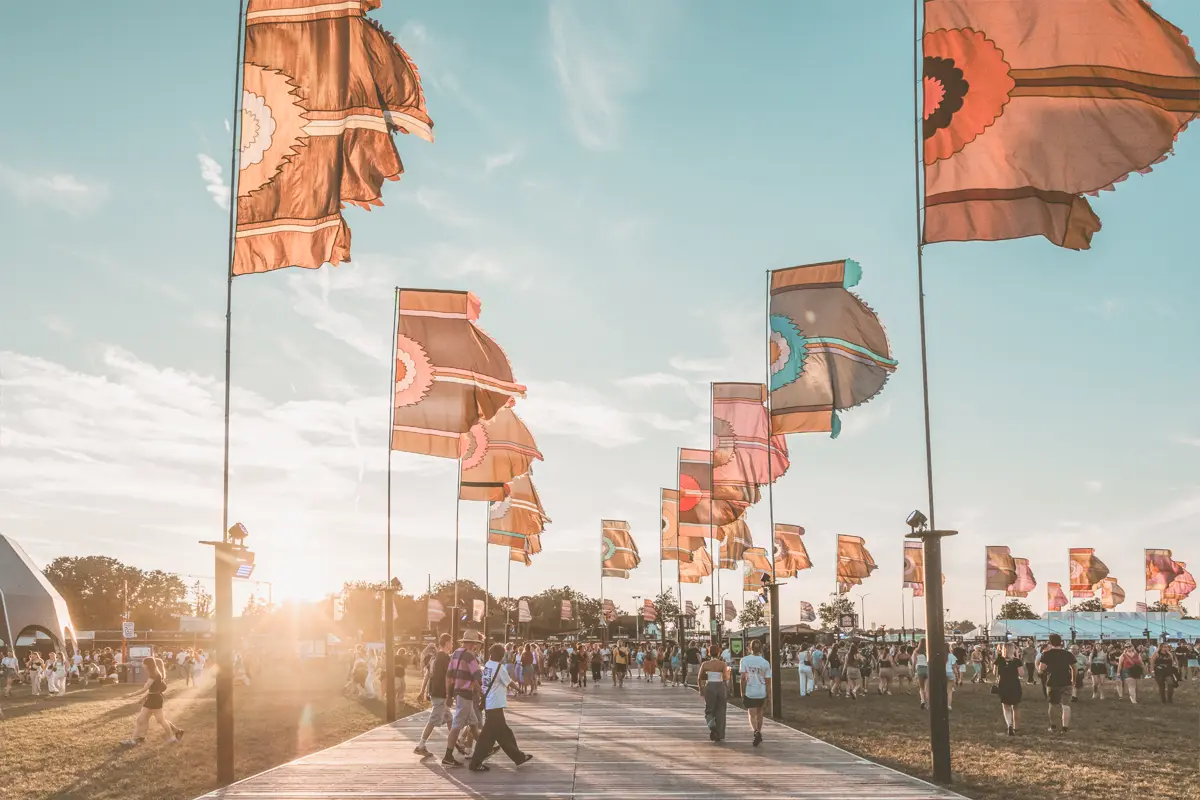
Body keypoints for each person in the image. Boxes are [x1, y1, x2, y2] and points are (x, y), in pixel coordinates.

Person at [469, 644, 534, 772]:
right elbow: (508, 681)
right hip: (495, 705)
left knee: (504, 734)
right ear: (501, 655)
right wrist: (519, 690)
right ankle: (475, 763)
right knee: (487, 738)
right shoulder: (499, 667)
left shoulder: (488, 665)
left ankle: (518, 757)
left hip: (489, 704)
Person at [443, 630, 484, 767]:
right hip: (466, 694)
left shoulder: (455, 654)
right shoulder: (470, 656)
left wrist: (449, 695)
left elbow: (448, 675)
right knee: (456, 726)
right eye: (475, 644)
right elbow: (477, 676)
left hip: (457, 693)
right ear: (473, 643)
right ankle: (448, 755)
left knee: (473, 722)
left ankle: (483, 749)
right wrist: (483, 692)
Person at [121, 658, 183, 746]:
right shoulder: (153, 674)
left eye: (143, 663)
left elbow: (145, 689)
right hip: (151, 698)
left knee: (161, 720)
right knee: (140, 719)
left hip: (156, 700)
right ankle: (134, 739)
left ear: (148, 664)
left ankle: (172, 738)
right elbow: (153, 690)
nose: (142, 665)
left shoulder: (154, 675)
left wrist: (130, 695)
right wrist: (144, 698)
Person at [414, 634, 454, 758]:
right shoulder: (445, 657)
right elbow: (450, 676)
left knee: (449, 718)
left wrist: (422, 691)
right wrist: (450, 693)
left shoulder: (434, 657)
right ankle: (421, 746)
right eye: (451, 642)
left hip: (434, 692)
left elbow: (427, 675)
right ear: (447, 643)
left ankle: (457, 742)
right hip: (440, 693)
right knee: (433, 720)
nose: (452, 644)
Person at [1038, 633, 1075, 733]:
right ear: (1061, 642)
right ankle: (1065, 728)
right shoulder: (1068, 654)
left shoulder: (1046, 654)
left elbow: (1041, 668)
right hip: (1066, 681)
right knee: (1066, 706)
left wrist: (1041, 672)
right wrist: (1073, 680)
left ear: (1050, 643)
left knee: (1053, 705)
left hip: (1052, 682)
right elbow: (1074, 668)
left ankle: (1053, 726)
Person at [739, 639, 772, 747]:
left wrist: (742, 692)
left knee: (751, 713)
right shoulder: (765, 663)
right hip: (761, 691)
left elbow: (743, 678)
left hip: (750, 691)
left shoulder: (744, 660)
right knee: (760, 713)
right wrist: (768, 696)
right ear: (761, 649)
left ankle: (756, 731)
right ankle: (759, 730)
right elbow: (768, 681)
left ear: (750, 648)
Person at [697, 645, 729, 743]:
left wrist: (701, 689)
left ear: (709, 653)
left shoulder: (705, 664)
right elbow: (726, 678)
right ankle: (719, 733)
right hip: (720, 686)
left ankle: (712, 726)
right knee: (721, 711)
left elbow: (699, 678)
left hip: (710, 686)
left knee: (709, 710)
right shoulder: (722, 664)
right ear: (719, 653)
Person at [994, 642, 1023, 736]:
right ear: (1013, 650)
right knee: (1016, 707)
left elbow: (995, 672)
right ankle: (1016, 727)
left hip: (1003, 684)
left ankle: (1009, 725)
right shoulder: (1016, 661)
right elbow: (1021, 674)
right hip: (1014, 684)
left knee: (1006, 707)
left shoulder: (999, 660)